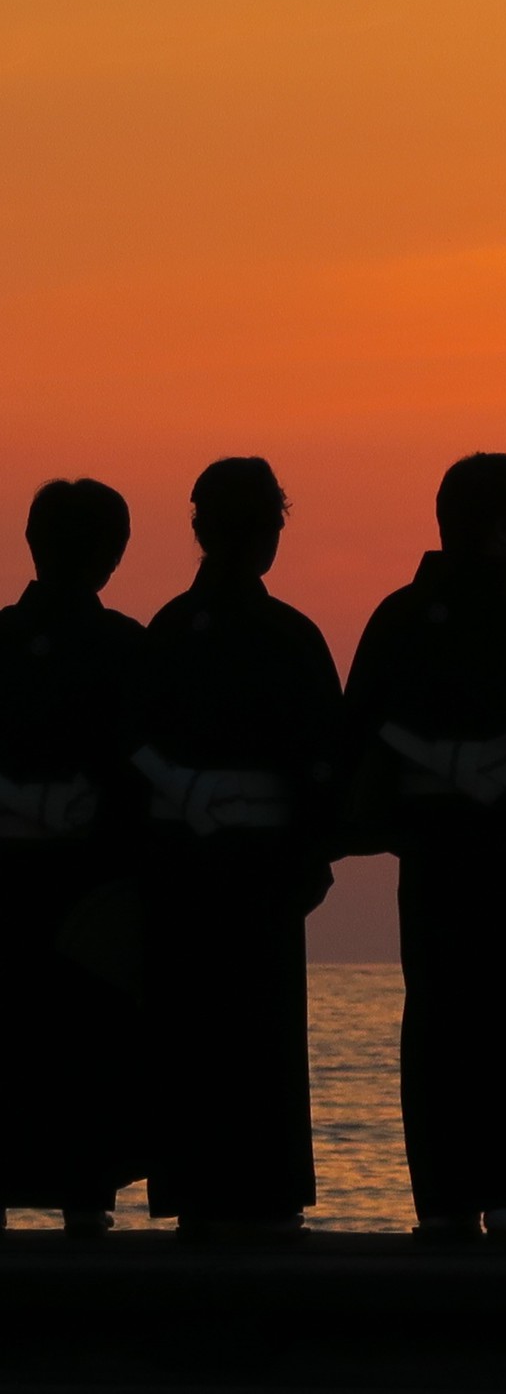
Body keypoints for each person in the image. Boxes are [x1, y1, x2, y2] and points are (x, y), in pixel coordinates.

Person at [342, 453, 506, 1240]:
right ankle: (488, 1193)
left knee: (448, 1018)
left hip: (450, 847)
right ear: (503, 527)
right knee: (497, 1018)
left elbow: (358, 733)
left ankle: (454, 1199)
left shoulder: (401, 616)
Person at [133, 458, 342, 1239]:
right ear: (269, 534)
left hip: (182, 863)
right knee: (260, 1039)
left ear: (199, 530)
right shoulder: (289, 636)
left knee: (189, 1036)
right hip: (261, 865)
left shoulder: (164, 632)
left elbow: (133, 749)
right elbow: (323, 759)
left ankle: (193, 1184)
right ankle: (266, 1187)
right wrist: (310, 856)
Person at [0, 479, 146, 1235]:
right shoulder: (127, 647)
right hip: (91, 887)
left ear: (32, 539)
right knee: (84, 1049)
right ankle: (87, 1206)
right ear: (114, 553)